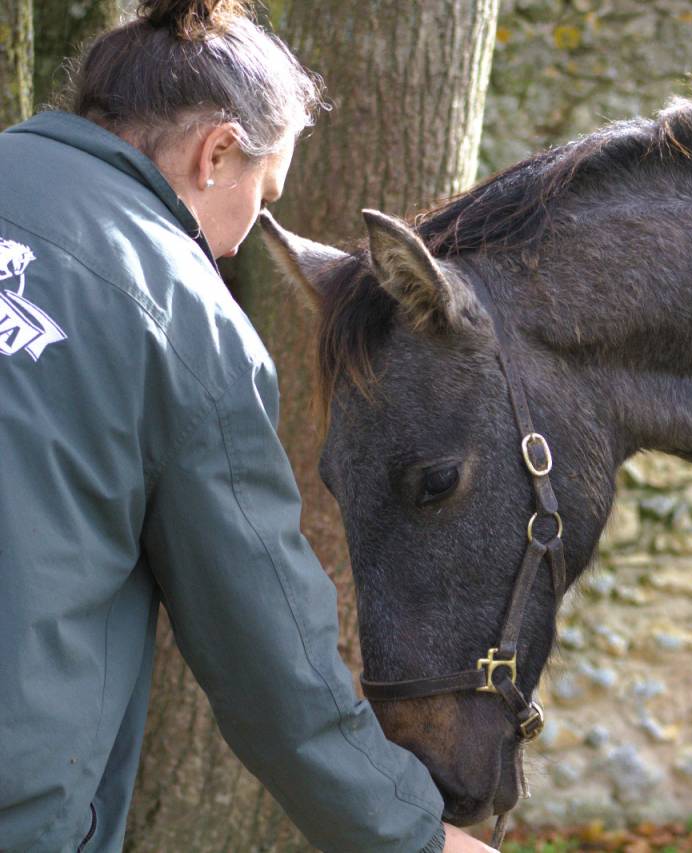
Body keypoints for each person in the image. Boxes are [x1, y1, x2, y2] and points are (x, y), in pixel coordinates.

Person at [0, 1, 495, 850]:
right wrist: (413, 833)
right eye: (261, 197)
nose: (232, 247)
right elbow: (267, 653)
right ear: (216, 152)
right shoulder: (183, 313)